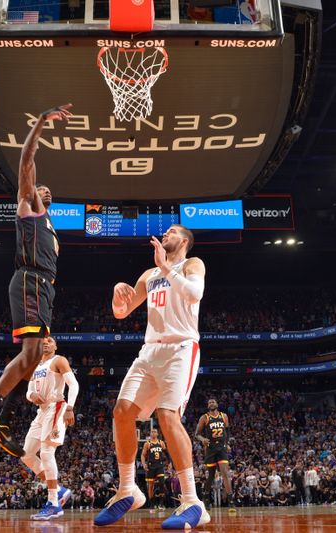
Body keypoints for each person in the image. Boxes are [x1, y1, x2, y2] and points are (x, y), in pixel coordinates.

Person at [0, 104, 72, 456]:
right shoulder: (29, 207)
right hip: (30, 281)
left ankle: (5, 419)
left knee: (34, 359)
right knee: (30, 354)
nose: (47, 191)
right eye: (42, 188)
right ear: (29, 193)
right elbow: (26, 160)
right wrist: (41, 121)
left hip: (43, 289)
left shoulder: (51, 227)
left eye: (50, 191)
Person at [94, 225, 209, 529]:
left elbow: (195, 293)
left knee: (167, 416)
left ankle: (191, 500)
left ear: (184, 240)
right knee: (122, 412)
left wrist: (166, 268)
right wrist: (118, 295)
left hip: (181, 348)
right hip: (149, 351)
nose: (165, 233)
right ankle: (129, 489)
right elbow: (123, 311)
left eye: (172, 231)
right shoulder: (148, 274)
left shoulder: (192, 264)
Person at [18, 336, 78, 520]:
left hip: (57, 406)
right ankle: (58, 490)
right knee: (26, 454)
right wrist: (32, 396)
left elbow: (73, 384)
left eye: (50, 341)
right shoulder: (34, 365)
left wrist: (70, 408)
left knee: (46, 453)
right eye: (43, 341)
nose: (46, 342)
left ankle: (53, 504)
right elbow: (28, 391)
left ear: (55, 345)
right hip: (41, 411)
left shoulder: (58, 360)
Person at [195, 398, 235, 511]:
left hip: (221, 448)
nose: (211, 403)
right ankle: (206, 496)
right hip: (210, 449)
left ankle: (231, 501)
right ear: (208, 406)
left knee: (225, 473)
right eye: (209, 402)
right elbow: (197, 434)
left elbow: (227, 431)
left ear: (217, 404)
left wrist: (227, 444)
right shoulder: (204, 418)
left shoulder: (224, 416)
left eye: (213, 402)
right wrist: (202, 439)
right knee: (211, 476)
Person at [141, 428, 168, 509]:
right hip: (151, 466)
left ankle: (161, 503)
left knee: (162, 483)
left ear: (157, 434)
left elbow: (167, 453)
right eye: (151, 432)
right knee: (150, 486)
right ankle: (152, 503)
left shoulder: (161, 443)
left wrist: (169, 462)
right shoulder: (147, 443)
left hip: (159, 465)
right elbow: (143, 455)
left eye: (154, 432)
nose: (153, 433)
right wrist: (143, 464)